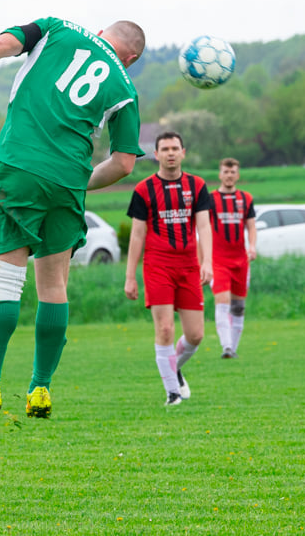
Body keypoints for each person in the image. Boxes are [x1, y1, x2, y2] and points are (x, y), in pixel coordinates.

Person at [0, 18, 147, 420]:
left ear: (104, 30)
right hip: (68, 181)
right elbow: (123, 164)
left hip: (18, 166)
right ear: (133, 57)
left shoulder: (57, 28)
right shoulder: (126, 87)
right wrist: (76, 183)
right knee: (54, 285)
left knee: (6, 279)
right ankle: (40, 389)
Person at [124, 131, 213, 406]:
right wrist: (130, 277)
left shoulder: (197, 186)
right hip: (157, 266)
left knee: (196, 335)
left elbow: (203, 226)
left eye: (175, 148)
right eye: (165, 148)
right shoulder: (143, 190)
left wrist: (207, 261)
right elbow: (137, 235)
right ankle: (172, 393)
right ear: (156, 154)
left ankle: (173, 367)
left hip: (188, 267)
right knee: (164, 329)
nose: (171, 153)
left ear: (183, 153)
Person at [209, 157, 257, 358]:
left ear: (237, 175)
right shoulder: (209, 199)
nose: (229, 175)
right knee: (222, 301)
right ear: (220, 174)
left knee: (238, 307)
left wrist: (252, 246)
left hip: (241, 261)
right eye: (225, 172)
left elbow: (251, 225)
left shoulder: (246, 198)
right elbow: (201, 227)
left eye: (232, 172)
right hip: (218, 260)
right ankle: (226, 347)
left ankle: (233, 350)